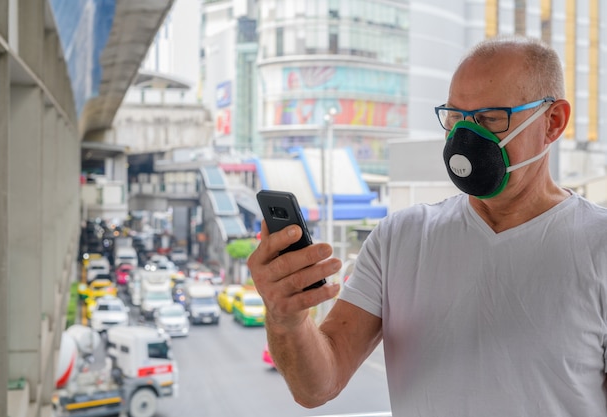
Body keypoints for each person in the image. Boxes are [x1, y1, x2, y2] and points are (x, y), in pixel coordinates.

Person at [247, 35, 607, 416]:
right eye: (455, 118)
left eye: (489, 119)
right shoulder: (398, 238)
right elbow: (317, 386)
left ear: (553, 122)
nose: (465, 140)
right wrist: (286, 318)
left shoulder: (598, 245)